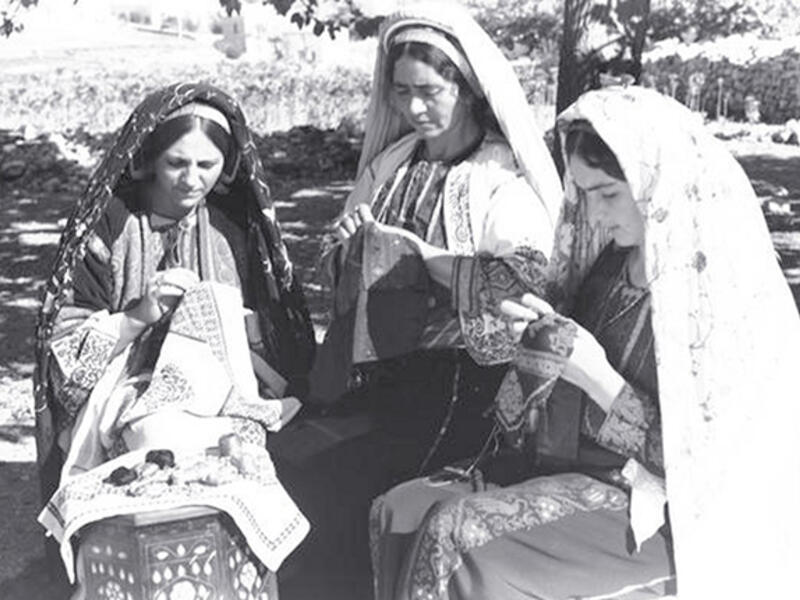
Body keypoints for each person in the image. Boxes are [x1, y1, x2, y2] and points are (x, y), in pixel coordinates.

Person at [370, 86, 800, 600]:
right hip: (569, 468)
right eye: (584, 193)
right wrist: (539, 341)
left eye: (609, 194)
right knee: (399, 510)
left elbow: (710, 469)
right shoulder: (611, 266)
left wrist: (598, 377)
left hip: (654, 508)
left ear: (657, 186)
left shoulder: (718, 298)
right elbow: (555, 387)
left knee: (456, 534)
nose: (593, 215)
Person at [271, 1, 562, 590]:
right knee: (287, 460)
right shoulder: (393, 165)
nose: (412, 107)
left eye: (429, 91)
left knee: (343, 481)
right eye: (401, 92)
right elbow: (336, 259)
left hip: (467, 391)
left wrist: (427, 263)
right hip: (381, 378)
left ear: (468, 87)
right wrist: (351, 248)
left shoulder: (498, 178)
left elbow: (530, 284)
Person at [33, 83, 316, 597]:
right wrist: (140, 315)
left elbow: (274, 339)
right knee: (156, 439)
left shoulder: (231, 230)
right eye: (176, 163)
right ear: (146, 161)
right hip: (120, 389)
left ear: (226, 167)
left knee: (243, 461)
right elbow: (66, 353)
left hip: (225, 386)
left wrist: (236, 322)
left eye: (207, 166)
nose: (192, 180)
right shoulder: (109, 229)